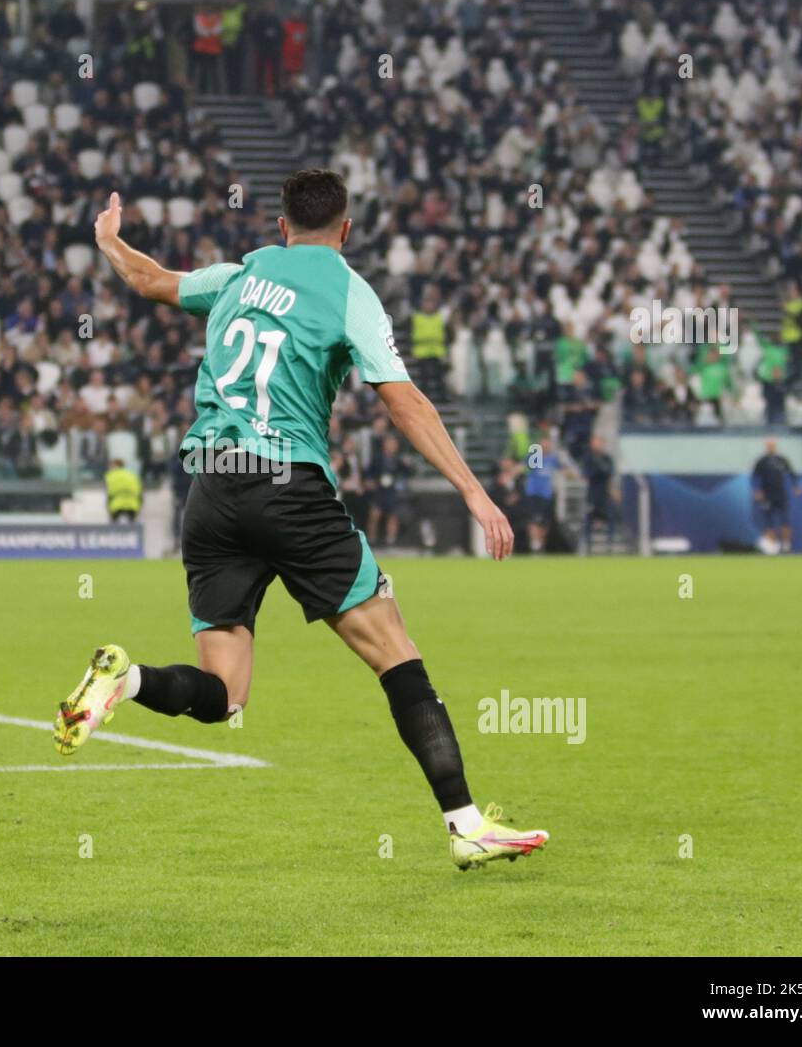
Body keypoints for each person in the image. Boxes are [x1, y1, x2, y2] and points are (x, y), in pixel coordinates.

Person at [54, 173, 548, 874]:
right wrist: (474, 489)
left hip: (213, 489)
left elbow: (150, 280)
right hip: (288, 486)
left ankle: (123, 681)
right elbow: (402, 400)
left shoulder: (240, 274)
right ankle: (465, 823)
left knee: (224, 694)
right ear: (344, 231)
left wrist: (108, 239)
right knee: (397, 654)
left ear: (280, 225)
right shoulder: (350, 291)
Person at [752, 438, 802, 554]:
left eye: (772, 445)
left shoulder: (782, 460)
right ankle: (773, 545)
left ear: (775, 446)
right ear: (766, 447)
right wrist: (757, 490)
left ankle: (786, 545)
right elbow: (754, 477)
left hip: (781, 493)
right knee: (768, 521)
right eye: (769, 445)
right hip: (768, 494)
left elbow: (792, 473)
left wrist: (796, 486)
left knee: (785, 519)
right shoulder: (762, 461)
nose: (771, 447)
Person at [581, 435, 618, 554]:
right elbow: (588, 474)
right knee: (588, 519)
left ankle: (609, 545)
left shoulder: (607, 458)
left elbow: (609, 472)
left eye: (599, 442)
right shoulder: (588, 458)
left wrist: (613, 490)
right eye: (595, 442)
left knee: (610, 518)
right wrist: (599, 470)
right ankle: (587, 546)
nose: (597, 444)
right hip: (592, 494)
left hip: (605, 494)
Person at [105, 457, 143, 523]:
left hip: (116, 505)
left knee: (115, 528)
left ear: (115, 465)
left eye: (111, 465)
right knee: (132, 527)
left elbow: (110, 492)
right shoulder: (133, 475)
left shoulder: (110, 476)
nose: (110, 467)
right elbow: (139, 492)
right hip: (132, 504)